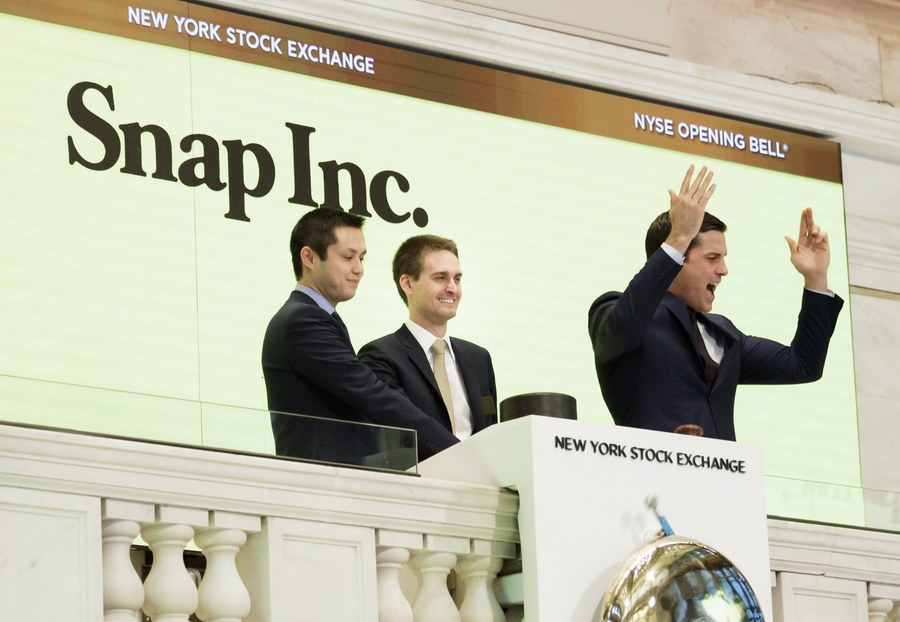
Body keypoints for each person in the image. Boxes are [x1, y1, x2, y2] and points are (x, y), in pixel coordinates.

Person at [587, 164, 844, 440]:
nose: (723, 270)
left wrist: (816, 279)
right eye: (712, 258)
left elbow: (803, 364)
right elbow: (622, 327)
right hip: (654, 480)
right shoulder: (616, 311)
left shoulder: (724, 333)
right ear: (677, 256)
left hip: (726, 481)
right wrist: (680, 236)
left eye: (723, 258)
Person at [261, 208, 459, 465]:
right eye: (347, 257)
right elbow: (372, 395)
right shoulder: (303, 321)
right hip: (320, 483)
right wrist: (455, 452)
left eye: (362, 258)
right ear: (309, 257)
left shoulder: (316, 317)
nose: (358, 269)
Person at [358, 235, 497, 440]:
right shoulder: (380, 356)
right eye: (440, 277)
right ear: (408, 284)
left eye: (457, 279)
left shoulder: (478, 358)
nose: (452, 288)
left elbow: (490, 433)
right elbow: (400, 433)